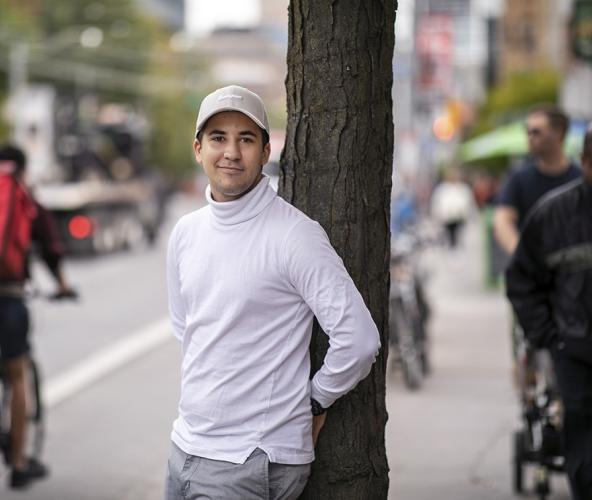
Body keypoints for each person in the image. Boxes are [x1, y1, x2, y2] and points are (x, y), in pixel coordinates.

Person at [164, 85, 380, 499]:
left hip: (252, 461)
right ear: (198, 149)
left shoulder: (294, 235)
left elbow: (360, 340)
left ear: (265, 153)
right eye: (218, 138)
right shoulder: (185, 233)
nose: (231, 152)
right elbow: (186, 329)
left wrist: (314, 402)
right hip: (185, 447)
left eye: (246, 139)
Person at [506, 118, 592, 500]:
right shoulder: (553, 216)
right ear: (584, 160)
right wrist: (550, 338)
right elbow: (521, 282)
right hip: (581, 362)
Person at [0, 144, 75, 489]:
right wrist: (63, 285)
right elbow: (50, 248)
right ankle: (19, 463)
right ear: (21, 169)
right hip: (7, 300)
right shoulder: (24, 198)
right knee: (16, 372)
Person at [493, 104, 581, 256]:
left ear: (558, 132)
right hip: (533, 274)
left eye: (536, 132)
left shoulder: (581, 179)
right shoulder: (519, 178)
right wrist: (522, 256)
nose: (530, 137)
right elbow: (502, 220)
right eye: (527, 132)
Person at [429, 167, 475, 248]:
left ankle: (456, 248)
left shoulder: (463, 188)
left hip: (459, 216)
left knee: (458, 235)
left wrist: (468, 214)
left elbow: (468, 202)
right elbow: (437, 203)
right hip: (447, 217)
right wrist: (437, 215)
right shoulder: (442, 188)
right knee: (450, 237)